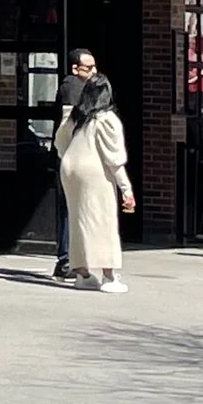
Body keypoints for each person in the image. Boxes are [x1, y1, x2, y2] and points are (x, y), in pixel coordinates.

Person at [54, 71, 136, 293]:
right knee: (103, 220)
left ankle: (82, 273)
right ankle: (108, 276)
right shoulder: (107, 119)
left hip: (70, 168)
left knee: (78, 219)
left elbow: (60, 142)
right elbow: (114, 159)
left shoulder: (77, 117)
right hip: (93, 171)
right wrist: (126, 190)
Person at [52, 50, 96, 280]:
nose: (94, 72)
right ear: (75, 69)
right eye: (88, 68)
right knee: (70, 208)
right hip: (70, 156)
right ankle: (65, 259)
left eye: (94, 67)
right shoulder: (71, 87)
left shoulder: (87, 88)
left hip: (80, 155)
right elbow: (66, 125)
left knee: (77, 207)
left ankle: (73, 258)